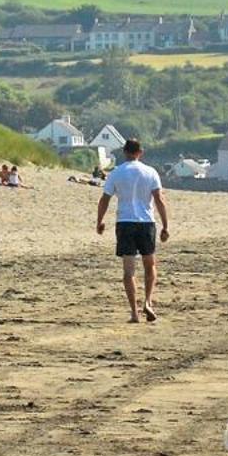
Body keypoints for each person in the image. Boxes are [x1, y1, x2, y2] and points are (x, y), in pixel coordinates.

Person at [95, 138, 170, 323]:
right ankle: (147, 301)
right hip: (146, 222)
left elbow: (105, 199)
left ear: (124, 152)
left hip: (125, 222)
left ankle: (134, 313)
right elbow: (159, 199)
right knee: (150, 264)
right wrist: (165, 225)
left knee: (129, 270)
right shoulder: (150, 171)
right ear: (140, 152)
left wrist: (100, 221)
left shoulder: (116, 173)